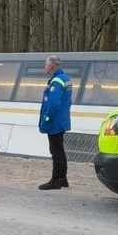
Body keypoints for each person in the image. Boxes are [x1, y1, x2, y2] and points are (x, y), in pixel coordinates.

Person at [38, 55, 72, 190]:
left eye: (46, 64)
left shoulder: (56, 81)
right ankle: (63, 179)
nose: (45, 67)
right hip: (62, 119)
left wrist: (47, 118)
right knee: (60, 149)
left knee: (55, 151)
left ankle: (55, 180)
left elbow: (53, 102)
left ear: (52, 65)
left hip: (55, 121)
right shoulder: (65, 78)